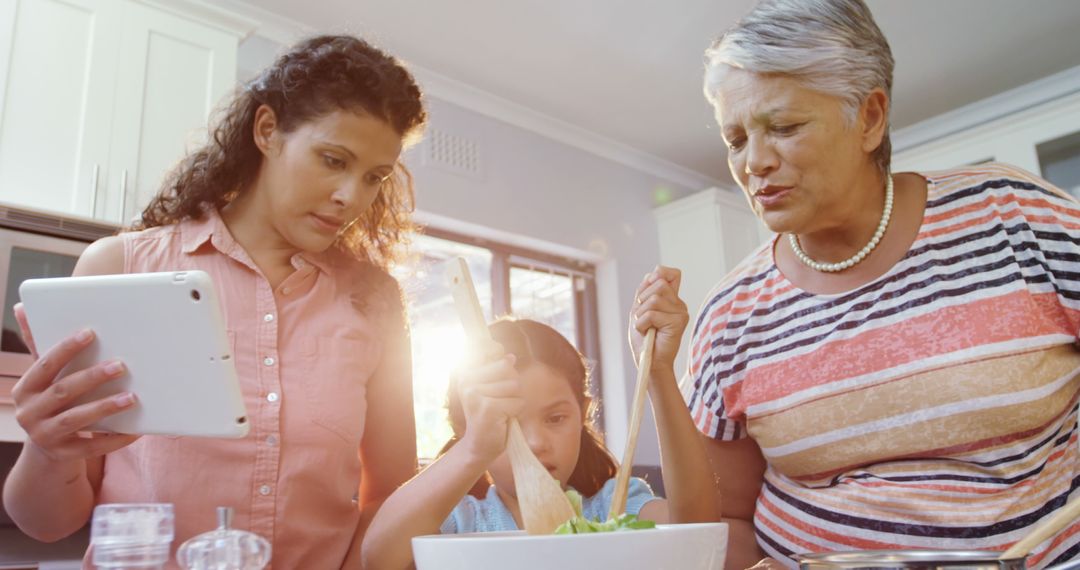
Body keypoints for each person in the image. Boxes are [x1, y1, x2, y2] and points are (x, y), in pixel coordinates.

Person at [2, 34, 427, 568]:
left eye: (374, 177)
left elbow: (389, 492)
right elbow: (46, 525)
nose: (352, 197)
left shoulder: (373, 299)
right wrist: (46, 448)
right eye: (332, 159)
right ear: (267, 131)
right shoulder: (122, 268)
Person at [686, 0, 1080, 568]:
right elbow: (731, 518)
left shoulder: (1014, 215)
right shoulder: (729, 314)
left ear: (869, 118)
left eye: (785, 127)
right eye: (736, 139)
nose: (754, 162)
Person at [361, 276, 719, 570]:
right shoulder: (459, 522)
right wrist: (473, 449)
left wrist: (657, 373)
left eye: (556, 418)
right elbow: (377, 558)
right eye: (510, 424)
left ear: (583, 415)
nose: (535, 443)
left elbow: (698, 529)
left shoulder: (612, 508)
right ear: (468, 428)